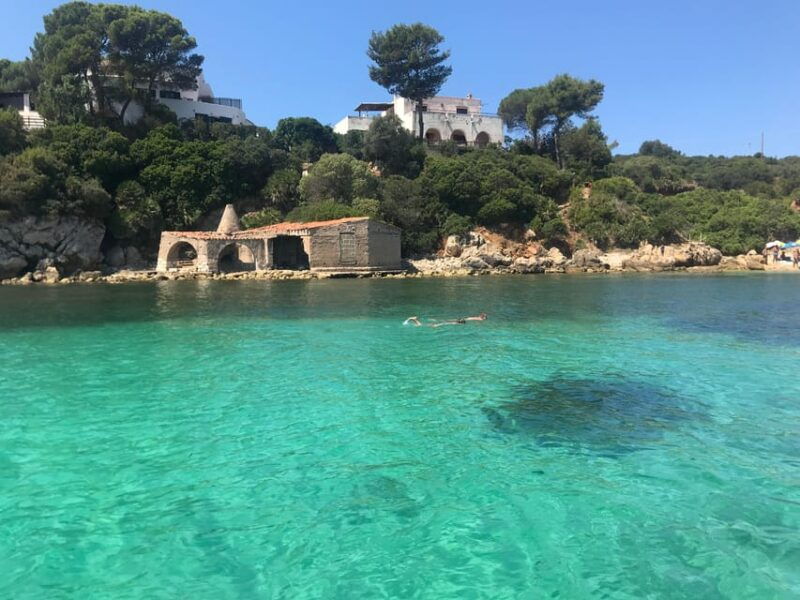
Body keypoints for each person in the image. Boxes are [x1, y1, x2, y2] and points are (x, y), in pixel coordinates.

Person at [403, 313, 488, 327]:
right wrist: (437, 325)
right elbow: (446, 324)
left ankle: (413, 319)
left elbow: (446, 323)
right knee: (420, 326)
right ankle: (413, 319)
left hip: (444, 322)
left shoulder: (456, 322)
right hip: (440, 324)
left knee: (421, 325)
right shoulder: (455, 323)